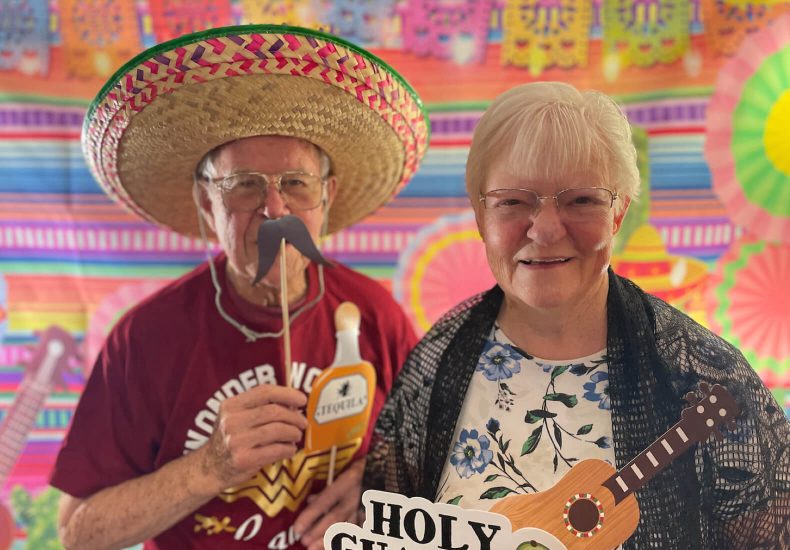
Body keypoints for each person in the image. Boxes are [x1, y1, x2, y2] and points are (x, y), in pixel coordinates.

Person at [50, 24, 428, 550]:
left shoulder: (373, 314)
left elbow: (436, 459)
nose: (275, 210)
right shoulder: (146, 338)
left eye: (295, 184)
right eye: (244, 185)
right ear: (208, 203)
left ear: (328, 195)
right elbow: (76, 532)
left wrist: (382, 484)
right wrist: (208, 467)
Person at [364, 81, 789, 548]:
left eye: (581, 200)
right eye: (513, 201)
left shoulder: (702, 377)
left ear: (619, 213)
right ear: (481, 216)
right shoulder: (435, 365)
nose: (545, 229)